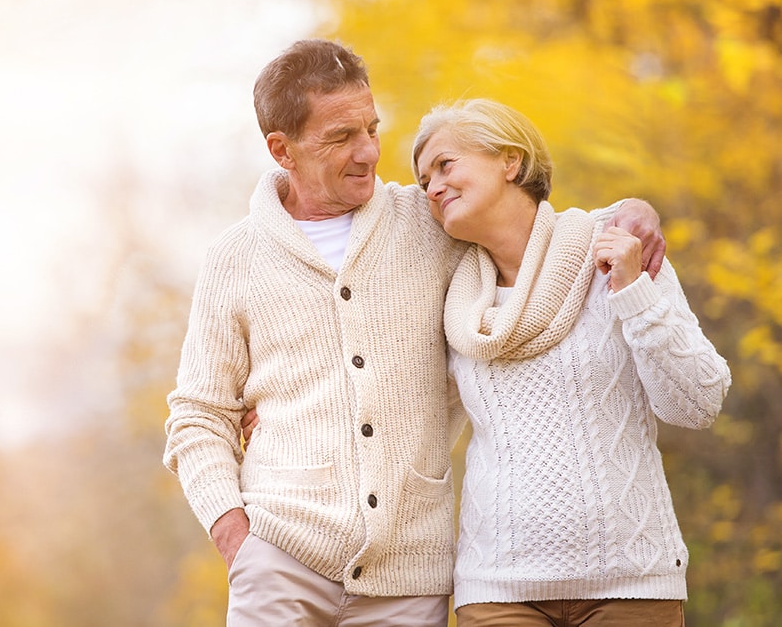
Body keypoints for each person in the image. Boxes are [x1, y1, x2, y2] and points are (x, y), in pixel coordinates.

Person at [162, 39, 665, 626]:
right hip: (278, 560)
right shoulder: (236, 257)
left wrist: (633, 210)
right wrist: (234, 534)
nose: (368, 152)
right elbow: (198, 414)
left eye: (371, 128)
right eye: (340, 137)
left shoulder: (429, 222)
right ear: (282, 149)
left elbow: (537, 233)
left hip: (408, 577)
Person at [411, 98, 730, 627]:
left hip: (631, 585)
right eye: (424, 182)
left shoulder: (617, 252)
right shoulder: (454, 303)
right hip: (497, 591)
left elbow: (698, 403)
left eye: (446, 165)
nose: (433, 187)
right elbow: (406, 411)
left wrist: (633, 293)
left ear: (510, 161)